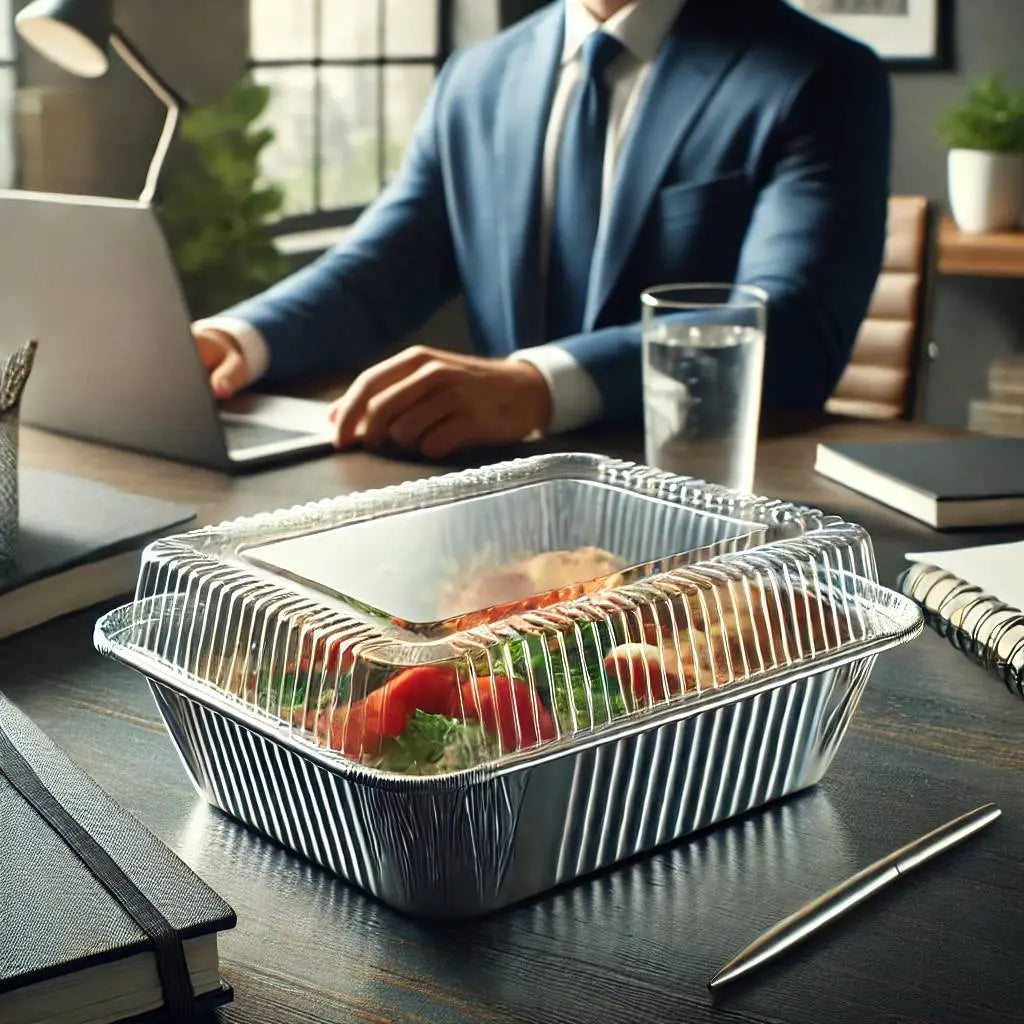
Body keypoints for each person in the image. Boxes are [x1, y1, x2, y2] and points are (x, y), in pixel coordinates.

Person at [193, 0, 891, 459]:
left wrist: (536, 384)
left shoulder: (817, 75)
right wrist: (237, 340)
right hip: (505, 502)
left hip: (708, 516)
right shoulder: (476, 77)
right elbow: (380, 269)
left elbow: (790, 329)